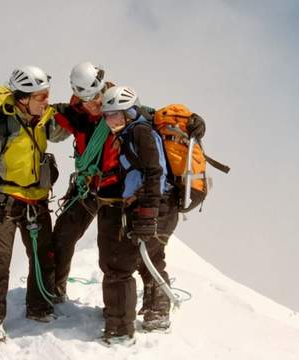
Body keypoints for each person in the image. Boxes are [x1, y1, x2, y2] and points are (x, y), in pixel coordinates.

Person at [0, 65, 69, 343]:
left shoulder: (43, 118)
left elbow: (61, 133)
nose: (46, 100)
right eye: (41, 96)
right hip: (4, 203)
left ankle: (40, 308)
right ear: (24, 98)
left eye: (47, 95)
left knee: (43, 256)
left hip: (36, 200)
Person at [102, 86, 205, 335]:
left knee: (127, 263)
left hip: (158, 206)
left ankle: (127, 324)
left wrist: (147, 212)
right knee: (150, 257)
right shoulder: (130, 131)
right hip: (153, 205)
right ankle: (154, 311)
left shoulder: (141, 132)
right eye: (107, 116)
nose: (110, 121)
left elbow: (155, 171)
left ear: (130, 112)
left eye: (115, 115)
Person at [51, 62, 124, 303]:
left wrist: (187, 121)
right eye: (86, 99)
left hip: (117, 191)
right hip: (87, 187)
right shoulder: (76, 113)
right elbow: (40, 117)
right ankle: (54, 291)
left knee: (115, 251)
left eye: (96, 96)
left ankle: (122, 309)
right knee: (62, 235)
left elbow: (152, 118)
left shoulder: (123, 107)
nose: (94, 104)